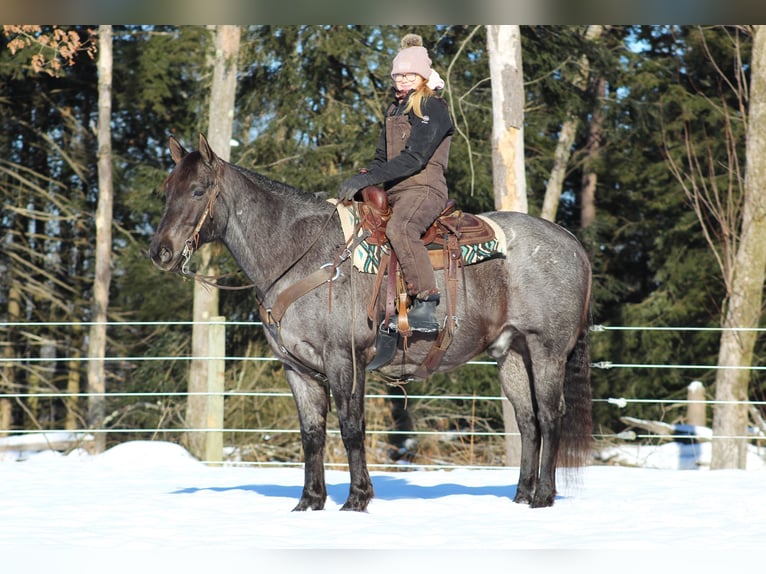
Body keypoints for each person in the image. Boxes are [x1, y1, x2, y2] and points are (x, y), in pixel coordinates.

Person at [338, 33, 454, 333]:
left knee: (401, 228)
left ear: (422, 76)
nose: (402, 80)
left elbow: (415, 158)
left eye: (409, 75)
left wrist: (373, 177)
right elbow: (381, 157)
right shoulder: (393, 110)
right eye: (398, 75)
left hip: (424, 188)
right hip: (394, 189)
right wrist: (363, 180)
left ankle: (427, 303)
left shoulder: (432, 107)